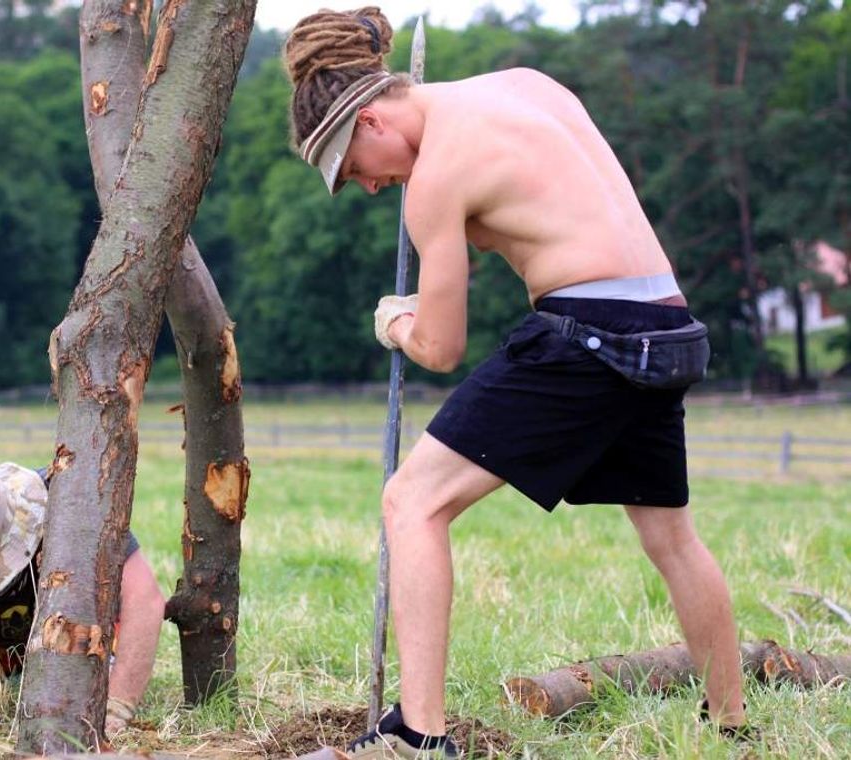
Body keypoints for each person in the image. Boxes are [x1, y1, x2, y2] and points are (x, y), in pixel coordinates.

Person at [284, 6, 753, 757]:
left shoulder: (436, 179)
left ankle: (418, 735)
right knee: (671, 536)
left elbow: (440, 346)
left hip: (591, 336)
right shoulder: (525, 85)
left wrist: (395, 322)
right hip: (665, 327)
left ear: (370, 120)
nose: (369, 188)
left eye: (353, 170)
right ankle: (731, 722)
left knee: (413, 502)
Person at [0, 462, 165, 739]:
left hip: (71, 633)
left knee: (89, 691)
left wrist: (117, 707)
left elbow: (145, 601)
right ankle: (2, 677)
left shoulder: (69, 507)